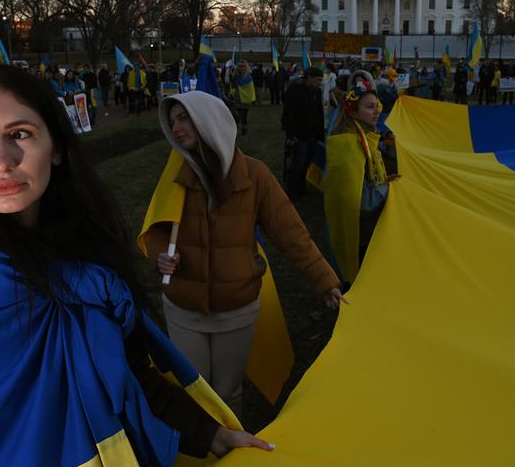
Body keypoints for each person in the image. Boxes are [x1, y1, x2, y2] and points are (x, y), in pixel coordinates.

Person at [0, 65, 271, 467]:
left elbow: (124, 375)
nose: (0, 161)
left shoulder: (84, 258)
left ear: (57, 147)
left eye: (20, 134)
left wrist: (208, 434)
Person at [142, 90, 343, 415]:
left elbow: (290, 232)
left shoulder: (256, 175)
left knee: (226, 393)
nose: (176, 127)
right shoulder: (174, 175)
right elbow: (156, 229)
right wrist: (158, 255)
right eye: (173, 120)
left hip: (236, 309)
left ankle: (230, 460)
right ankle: (196, 463)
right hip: (184, 307)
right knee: (192, 394)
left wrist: (324, 281)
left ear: (209, 120)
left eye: (184, 118)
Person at [325, 73, 399, 286]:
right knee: (360, 280)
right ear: (353, 111)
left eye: (377, 105)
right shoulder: (349, 146)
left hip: (368, 229)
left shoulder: (365, 138)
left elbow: (368, 180)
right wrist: (387, 188)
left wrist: (385, 180)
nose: (377, 111)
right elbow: (361, 202)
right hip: (361, 233)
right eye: (369, 107)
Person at [281, 66, 324, 197]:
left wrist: (320, 134)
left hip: (313, 134)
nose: (320, 82)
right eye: (318, 80)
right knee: (298, 163)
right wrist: (291, 135)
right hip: (300, 135)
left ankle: (301, 187)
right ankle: (292, 190)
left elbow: (319, 112)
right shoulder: (295, 90)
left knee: (307, 163)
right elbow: (289, 114)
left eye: (321, 80)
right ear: (309, 77)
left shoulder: (317, 92)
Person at [230, 61, 257, 136]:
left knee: (243, 116)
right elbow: (232, 84)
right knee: (237, 116)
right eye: (239, 66)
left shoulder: (248, 76)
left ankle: (244, 130)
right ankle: (236, 131)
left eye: (243, 66)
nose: (241, 67)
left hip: (245, 100)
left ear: (246, 66)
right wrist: (233, 75)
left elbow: (250, 89)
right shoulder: (236, 76)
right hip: (237, 99)